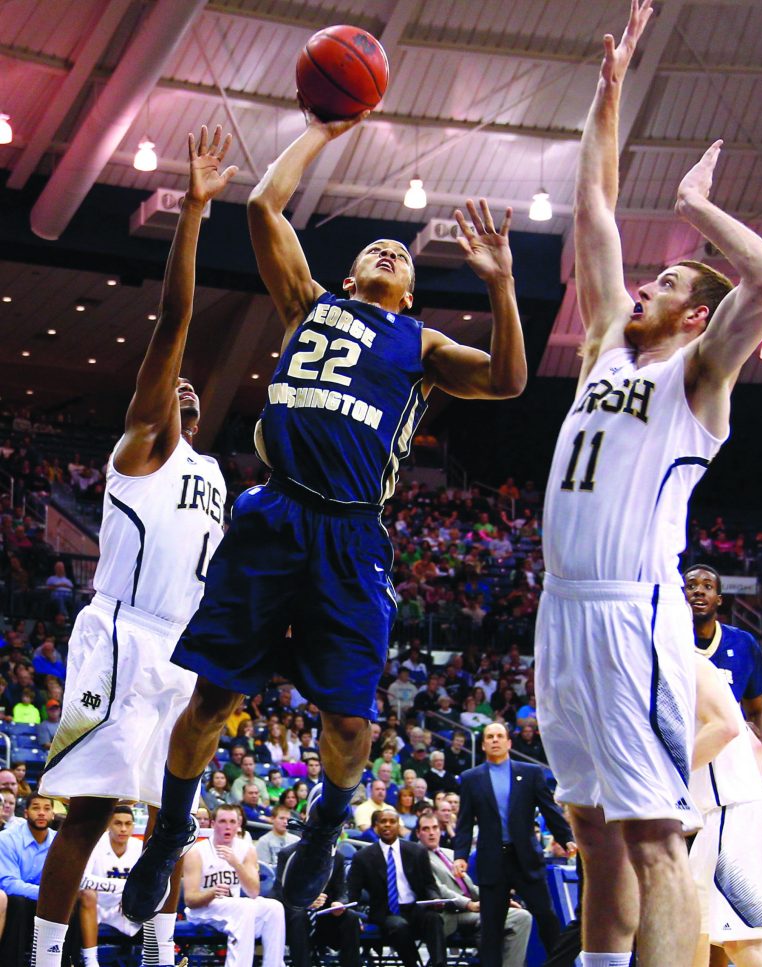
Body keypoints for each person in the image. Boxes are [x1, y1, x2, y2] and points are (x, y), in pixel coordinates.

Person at [123, 100, 526, 917]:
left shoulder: (425, 349)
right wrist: (326, 130)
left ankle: (324, 826)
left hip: (351, 535)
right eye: (373, 247)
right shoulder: (311, 304)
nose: (387, 249)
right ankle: (170, 830)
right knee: (211, 699)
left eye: (400, 255)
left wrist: (502, 285)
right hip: (276, 516)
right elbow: (265, 206)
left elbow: (512, 379)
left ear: (409, 296)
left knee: (352, 727)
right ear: (347, 279)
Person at [533, 0, 762, 965]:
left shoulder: (698, 380)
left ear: (696, 317)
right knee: (591, 830)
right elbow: (592, 206)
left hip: (635, 614)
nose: (644, 287)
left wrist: (697, 213)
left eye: (666, 283)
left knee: (658, 842)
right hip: (561, 612)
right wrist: (610, 91)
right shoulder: (600, 350)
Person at [31, 125, 235, 967]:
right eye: (170, 379)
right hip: (118, 635)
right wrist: (191, 212)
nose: (180, 382)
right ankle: (42, 957)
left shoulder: (218, 471)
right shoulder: (146, 446)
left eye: (190, 386)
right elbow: (176, 320)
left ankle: (152, 954)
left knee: (163, 818)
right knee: (88, 811)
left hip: (180, 650)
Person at [454, 723, 575, 962]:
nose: (495, 740)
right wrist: (460, 855)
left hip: (526, 858)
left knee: (546, 916)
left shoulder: (531, 773)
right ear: (483, 744)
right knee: (492, 925)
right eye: (490, 737)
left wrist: (567, 839)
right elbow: (465, 821)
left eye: (500, 736)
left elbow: (549, 810)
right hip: (492, 860)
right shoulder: (471, 778)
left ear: (509, 743)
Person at [689, 655, 762, 967]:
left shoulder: (689, 665)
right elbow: (755, 745)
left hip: (733, 813)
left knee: (740, 940)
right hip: (717, 819)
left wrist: (668, 779)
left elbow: (725, 729)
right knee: (694, 934)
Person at [416, 810, 532, 967]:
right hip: (449, 913)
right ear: (418, 833)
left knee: (522, 917)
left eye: (435, 828)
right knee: (515, 918)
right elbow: (439, 889)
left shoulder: (450, 853)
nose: (431, 833)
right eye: (426, 829)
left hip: (472, 908)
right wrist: (469, 905)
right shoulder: (416, 856)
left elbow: (470, 887)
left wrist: (497, 899)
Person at [684, 564, 762, 766]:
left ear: (719, 599)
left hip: (731, 753)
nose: (699, 591)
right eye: (691, 586)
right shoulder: (664, 643)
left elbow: (756, 711)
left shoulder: (743, 643)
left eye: (707, 586)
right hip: (686, 747)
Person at [182, 804, 285, 967]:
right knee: (244, 907)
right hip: (203, 910)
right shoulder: (197, 852)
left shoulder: (247, 849)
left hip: (235, 910)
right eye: (222, 821)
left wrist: (236, 863)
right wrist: (212, 892)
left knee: (274, 907)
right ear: (213, 824)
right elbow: (190, 900)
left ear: (238, 824)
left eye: (232, 821)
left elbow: (253, 892)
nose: (228, 826)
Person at [347, 807, 447, 967]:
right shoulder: (363, 857)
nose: (387, 825)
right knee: (399, 926)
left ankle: (439, 964)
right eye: (383, 822)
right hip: (385, 913)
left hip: (415, 908)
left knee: (434, 919)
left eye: (392, 822)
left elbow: (429, 884)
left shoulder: (416, 851)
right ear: (376, 827)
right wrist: (352, 913)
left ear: (398, 825)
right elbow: (353, 892)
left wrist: (435, 898)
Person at [0, 795, 79, 966]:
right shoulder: (7, 839)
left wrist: (55, 896)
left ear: (53, 814)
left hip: (45, 899)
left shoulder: (61, 841)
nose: (42, 813)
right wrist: (47, 895)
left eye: (46, 808)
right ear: (26, 813)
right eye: (36, 808)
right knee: (19, 903)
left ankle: (66, 961)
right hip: (16, 899)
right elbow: (8, 883)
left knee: (72, 902)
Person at [274, 843, 362, 967]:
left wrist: (339, 903)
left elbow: (341, 891)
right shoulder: (288, 854)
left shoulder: (338, 857)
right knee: (299, 917)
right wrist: (304, 900)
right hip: (297, 915)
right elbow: (279, 892)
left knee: (351, 917)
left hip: (324, 916)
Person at [78, 805, 142, 966]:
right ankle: (90, 960)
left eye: (128, 824)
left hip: (125, 909)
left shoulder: (139, 847)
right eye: (118, 823)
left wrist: (128, 896)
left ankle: (154, 958)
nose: (123, 829)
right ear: (108, 825)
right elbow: (82, 881)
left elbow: (146, 885)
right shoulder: (95, 844)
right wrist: (126, 888)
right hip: (96, 906)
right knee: (87, 895)